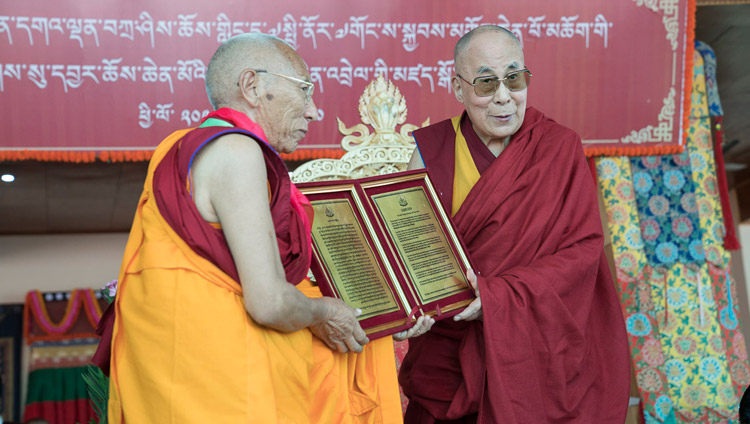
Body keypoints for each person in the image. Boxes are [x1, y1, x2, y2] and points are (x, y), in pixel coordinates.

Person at [92, 33, 432, 423]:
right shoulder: (237, 151)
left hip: (179, 373)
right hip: (225, 388)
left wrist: (383, 318)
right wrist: (324, 313)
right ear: (252, 86)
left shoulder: (178, 149)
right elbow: (269, 302)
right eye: (305, 90)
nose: (314, 111)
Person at [398, 25, 630, 423]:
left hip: (536, 353)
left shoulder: (558, 148)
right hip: (450, 354)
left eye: (515, 78)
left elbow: (583, 251)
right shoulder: (428, 152)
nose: (504, 96)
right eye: (486, 83)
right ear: (458, 88)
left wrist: (498, 296)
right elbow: (407, 254)